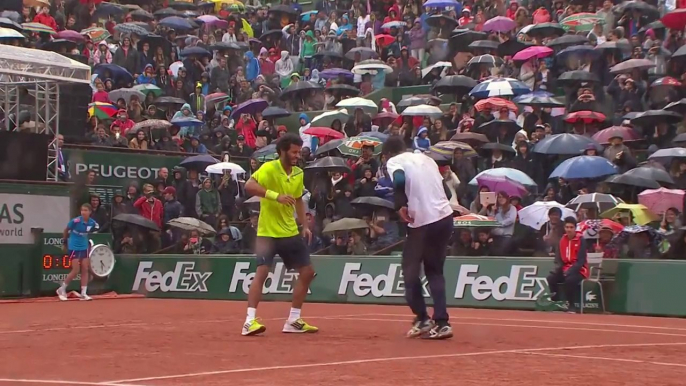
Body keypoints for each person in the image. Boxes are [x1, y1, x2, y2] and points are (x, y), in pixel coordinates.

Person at [241, 133, 317, 336]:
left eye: (298, 152)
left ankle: (293, 320)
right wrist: (275, 196)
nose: (297, 155)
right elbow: (249, 186)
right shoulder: (269, 168)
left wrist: (305, 224)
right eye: (293, 152)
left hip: (290, 232)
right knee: (262, 272)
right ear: (282, 151)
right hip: (267, 232)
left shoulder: (299, 173)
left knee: (308, 272)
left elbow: (299, 200)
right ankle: (249, 321)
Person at [383, 136, 454, 339]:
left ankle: (422, 318)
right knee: (435, 271)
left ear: (387, 154)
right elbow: (447, 193)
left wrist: (400, 205)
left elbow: (398, 180)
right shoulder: (426, 159)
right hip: (444, 218)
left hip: (422, 223)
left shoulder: (394, 161)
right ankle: (442, 322)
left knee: (410, 273)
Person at [56, 204, 99, 301]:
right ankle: (61, 289)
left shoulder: (92, 223)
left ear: (90, 212)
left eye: (85, 210)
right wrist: (64, 243)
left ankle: (83, 293)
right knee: (75, 270)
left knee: (85, 268)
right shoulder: (75, 221)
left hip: (84, 246)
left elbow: (95, 228)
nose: (83, 212)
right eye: (82, 210)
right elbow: (66, 230)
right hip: (73, 246)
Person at [546, 216, 589, 313]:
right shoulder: (562, 240)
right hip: (565, 268)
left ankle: (572, 305)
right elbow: (559, 259)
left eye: (571, 227)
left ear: (575, 228)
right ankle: (556, 303)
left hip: (580, 270)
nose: (569, 230)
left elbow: (581, 261)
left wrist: (570, 270)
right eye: (567, 227)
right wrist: (558, 269)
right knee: (551, 278)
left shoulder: (581, 240)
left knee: (570, 280)